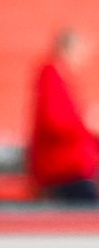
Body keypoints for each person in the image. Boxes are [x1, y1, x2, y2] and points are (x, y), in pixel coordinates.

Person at [28, 30, 99, 202]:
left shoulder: (60, 79)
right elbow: (55, 122)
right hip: (63, 168)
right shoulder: (51, 77)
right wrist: (86, 123)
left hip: (72, 166)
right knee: (88, 208)